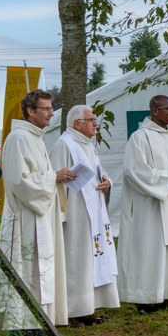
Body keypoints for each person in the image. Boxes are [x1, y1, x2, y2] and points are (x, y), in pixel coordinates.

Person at [0, 89, 72, 336]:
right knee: (25, 268)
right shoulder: (18, 138)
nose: (50, 113)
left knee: (39, 269)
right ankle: (20, 326)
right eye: (45, 108)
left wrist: (55, 177)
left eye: (51, 108)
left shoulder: (36, 138)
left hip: (40, 215)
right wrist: (53, 177)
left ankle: (38, 321)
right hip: (24, 218)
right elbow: (17, 181)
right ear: (29, 111)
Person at [119, 94, 168, 314]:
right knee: (149, 250)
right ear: (154, 110)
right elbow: (134, 171)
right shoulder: (140, 138)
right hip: (150, 206)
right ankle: (145, 299)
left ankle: (165, 295)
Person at [53, 105, 119, 324]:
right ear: (76, 123)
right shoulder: (64, 144)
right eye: (90, 120)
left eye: (94, 120)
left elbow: (100, 171)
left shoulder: (89, 145)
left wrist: (107, 182)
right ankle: (72, 311)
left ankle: (88, 307)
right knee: (77, 259)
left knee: (92, 258)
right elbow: (56, 177)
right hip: (76, 213)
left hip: (96, 211)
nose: (95, 123)